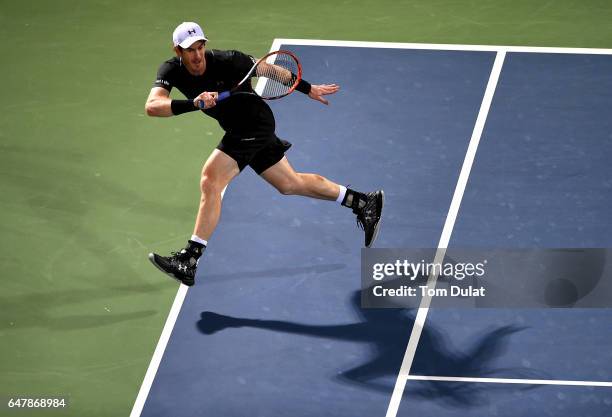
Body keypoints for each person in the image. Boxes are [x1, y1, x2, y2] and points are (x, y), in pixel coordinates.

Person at [146, 22, 384, 286]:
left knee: (210, 180)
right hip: (241, 128)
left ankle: (189, 259)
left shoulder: (229, 60)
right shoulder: (170, 70)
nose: (198, 55)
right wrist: (194, 103)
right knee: (290, 184)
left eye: (201, 47)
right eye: (190, 50)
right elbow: (153, 106)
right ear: (178, 50)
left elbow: (269, 69)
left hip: (254, 123)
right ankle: (362, 202)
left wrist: (308, 88)